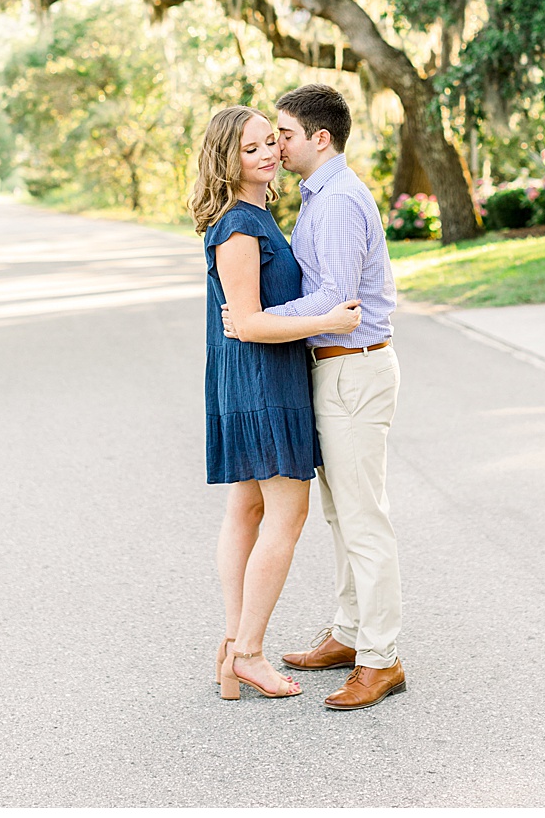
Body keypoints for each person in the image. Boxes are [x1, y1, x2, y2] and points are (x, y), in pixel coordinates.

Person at [224, 83, 406, 711]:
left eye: (286, 134)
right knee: (341, 515)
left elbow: (335, 300)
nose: (278, 144)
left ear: (319, 138)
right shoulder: (317, 197)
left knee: (363, 519)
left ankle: (381, 659)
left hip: (353, 367)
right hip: (329, 368)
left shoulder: (337, 203)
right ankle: (351, 634)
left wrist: (257, 317)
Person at [190, 105, 363, 701]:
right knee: (285, 517)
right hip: (262, 383)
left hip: (257, 380)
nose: (267, 154)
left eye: (271, 142)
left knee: (248, 511)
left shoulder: (257, 216)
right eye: (250, 148)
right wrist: (328, 318)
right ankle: (250, 653)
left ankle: (233, 645)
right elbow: (249, 324)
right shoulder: (239, 227)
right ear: (226, 159)